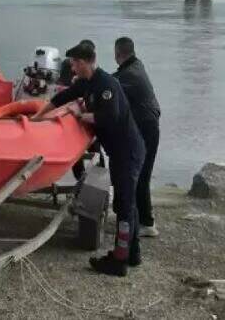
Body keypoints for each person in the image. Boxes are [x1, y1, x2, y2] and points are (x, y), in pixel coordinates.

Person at [35, 42, 145, 276]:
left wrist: (80, 114)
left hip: (127, 152)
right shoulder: (88, 83)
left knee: (124, 206)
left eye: (74, 63)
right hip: (120, 151)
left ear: (84, 62)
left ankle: (119, 261)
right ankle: (132, 254)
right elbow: (63, 96)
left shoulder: (107, 85)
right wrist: (37, 117)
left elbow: (109, 117)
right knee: (128, 204)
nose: (72, 68)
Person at [112, 37, 161, 237]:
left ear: (118, 54)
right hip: (148, 126)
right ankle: (137, 217)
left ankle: (147, 223)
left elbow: (110, 84)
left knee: (140, 175)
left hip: (147, 129)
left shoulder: (131, 74)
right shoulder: (135, 67)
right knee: (138, 173)